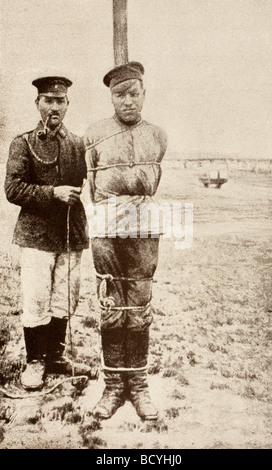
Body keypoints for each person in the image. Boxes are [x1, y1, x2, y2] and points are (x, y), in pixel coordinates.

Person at [84, 62, 168, 420]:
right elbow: (92, 182)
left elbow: (155, 178)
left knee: (139, 303)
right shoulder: (95, 134)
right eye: (120, 95)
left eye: (134, 94)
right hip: (106, 227)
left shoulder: (158, 135)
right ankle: (114, 385)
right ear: (111, 97)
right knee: (111, 304)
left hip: (145, 227)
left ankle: (139, 384)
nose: (128, 102)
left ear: (144, 95)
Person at [5, 76, 90, 390]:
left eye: (60, 101)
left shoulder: (79, 143)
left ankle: (55, 355)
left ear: (67, 104)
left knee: (64, 299)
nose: (54, 107)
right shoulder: (22, 142)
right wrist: (51, 193)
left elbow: (92, 180)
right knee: (37, 298)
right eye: (48, 101)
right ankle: (35, 361)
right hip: (36, 235)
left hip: (71, 234)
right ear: (37, 103)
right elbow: (12, 189)